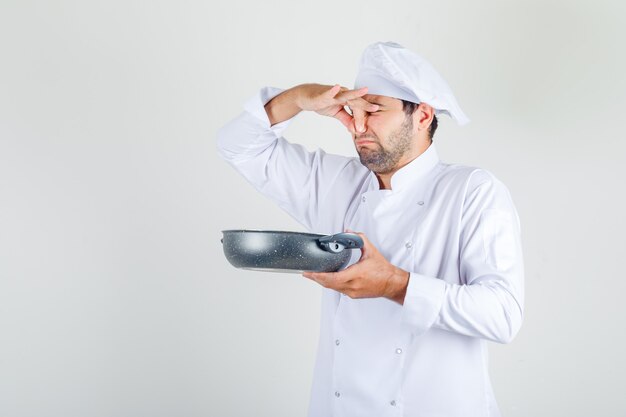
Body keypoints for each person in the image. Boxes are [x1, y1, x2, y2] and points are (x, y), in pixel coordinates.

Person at [216, 41, 524, 417]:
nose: (358, 125)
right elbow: (239, 146)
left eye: (374, 110)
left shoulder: (471, 190)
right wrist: (299, 98)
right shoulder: (341, 184)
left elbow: (503, 314)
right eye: (353, 111)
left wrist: (397, 284)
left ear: (423, 115)